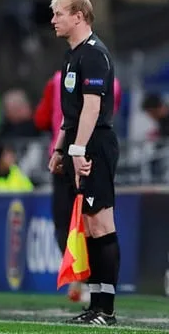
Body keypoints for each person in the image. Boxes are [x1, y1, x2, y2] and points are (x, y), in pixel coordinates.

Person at [48, 0, 121, 326]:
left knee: (101, 223)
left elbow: (92, 108)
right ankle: (95, 304)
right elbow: (72, 113)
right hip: (79, 142)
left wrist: (78, 150)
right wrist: (61, 149)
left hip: (96, 144)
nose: (54, 20)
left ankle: (106, 308)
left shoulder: (94, 55)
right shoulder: (71, 56)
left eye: (59, 13)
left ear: (78, 16)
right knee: (90, 227)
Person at [34, 70, 122, 303]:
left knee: (69, 221)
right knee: (94, 223)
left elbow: (43, 118)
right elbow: (110, 115)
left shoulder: (57, 78)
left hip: (72, 156)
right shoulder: (113, 82)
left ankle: (87, 284)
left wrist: (63, 148)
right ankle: (96, 290)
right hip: (93, 153)